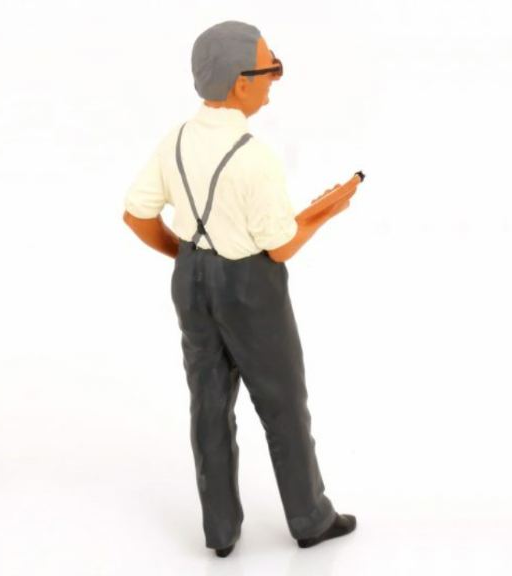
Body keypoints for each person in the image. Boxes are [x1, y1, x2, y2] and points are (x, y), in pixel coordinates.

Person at [122, 20, 364, 558]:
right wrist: (326, 211)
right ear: (240, 83)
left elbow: (136, 214)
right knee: (282, 403)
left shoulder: (175, 138)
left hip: (190, 278)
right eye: (270, 68)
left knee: (208, 405)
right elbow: (278, 246)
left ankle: (220, 532)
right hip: (249, 285)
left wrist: (188, 256)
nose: (275, 79)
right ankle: (310, 517)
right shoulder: (254, 155)